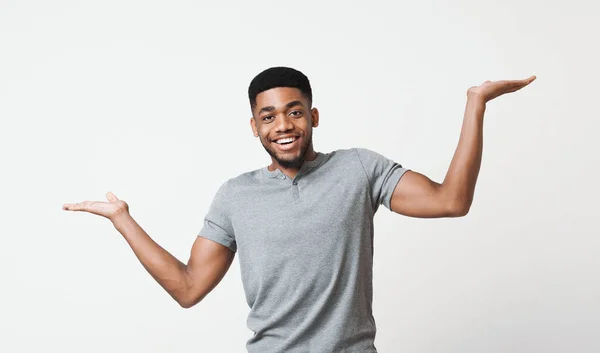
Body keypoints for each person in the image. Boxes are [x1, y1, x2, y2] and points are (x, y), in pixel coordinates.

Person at [63, 67, 535, 352]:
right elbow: (187, 289)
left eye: (294, 111)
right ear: (254, 126)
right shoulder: (235, 195)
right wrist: (124, 220)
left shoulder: (358, 170)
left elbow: (450, 201)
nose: (283, 125)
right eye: (268, 116)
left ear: (313, 116)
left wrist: (476, 105)